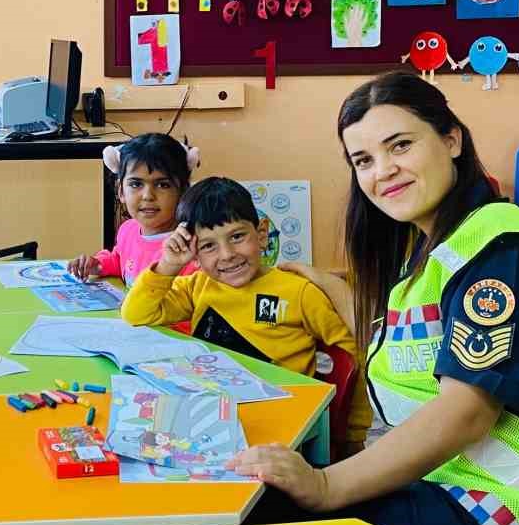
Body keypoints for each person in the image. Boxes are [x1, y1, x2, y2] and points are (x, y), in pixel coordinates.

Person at [233, 71, 519, 525]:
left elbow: (467, 411)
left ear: (452, 139)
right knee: (261, 502)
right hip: (455, 492)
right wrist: (330, 285)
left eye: (400, 145)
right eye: (363, 160)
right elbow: (399, 341)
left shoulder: (507, 250)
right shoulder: (434, 249)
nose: (383, 170)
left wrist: (327, 486)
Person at [121, 177, 371, 451]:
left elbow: (352, 353)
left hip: (280, 422)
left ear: (262, 233)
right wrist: (168, 266)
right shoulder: (197, 286)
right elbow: (136, 314)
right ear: (193, 254)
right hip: (212, 415)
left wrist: (353, 429)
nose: (227, 254)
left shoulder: (298, 292)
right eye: (208, 246)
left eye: (237, 237)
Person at [68, 133, 200, 286]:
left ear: (183, 192)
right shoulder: (128, 230)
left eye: (163, 185)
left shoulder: (186, 248)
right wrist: (97, 265)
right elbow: (119, 259)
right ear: (121, 192)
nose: (147, 196)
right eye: (136, 184)